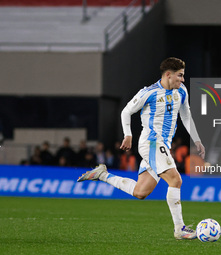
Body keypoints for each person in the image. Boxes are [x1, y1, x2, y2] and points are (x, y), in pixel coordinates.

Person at [77, 57, 205, 240]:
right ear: (168, 75)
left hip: (162, 146)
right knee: (176, 181)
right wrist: (128, 134)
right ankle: (180, 229)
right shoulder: (149, 93)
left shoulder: (181, 91)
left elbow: (186, 115)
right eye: (180, 75)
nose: (183, 80)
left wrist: (197, 139)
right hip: (151, 143)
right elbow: (126, 111)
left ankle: (102, 175)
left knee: (140, 192)